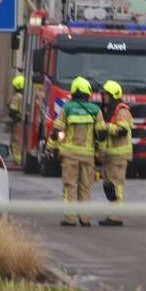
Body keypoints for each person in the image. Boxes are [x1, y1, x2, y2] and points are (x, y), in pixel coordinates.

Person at [48, 76, 105, 227]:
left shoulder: (67, 108)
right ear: (88, 92)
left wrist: (50, 148)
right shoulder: (95, 110)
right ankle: (85, 219)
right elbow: (102, 134)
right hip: (88, 155)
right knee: (85, 187)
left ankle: (70, 218)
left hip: (70, 155)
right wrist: (101, 153)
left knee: (70, 186)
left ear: (73, 91)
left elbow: (56, 131)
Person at [97, 80, 133, 226]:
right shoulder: (109, 111)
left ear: (112, 95)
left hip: (119, 156)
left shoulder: (122, 111)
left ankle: (117, 216)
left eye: (106, 95)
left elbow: (122, 131)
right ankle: (113, 213)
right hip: (110, 156)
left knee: (116, 185)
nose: (103, 98)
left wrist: (106, 127)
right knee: (108, 186)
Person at [8, 74, 25, 165]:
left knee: (15, 142)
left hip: (17, 123)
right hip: (24, 123)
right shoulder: (27, 96)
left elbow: (12, 112)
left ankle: (18, 160)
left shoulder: (17, 96)